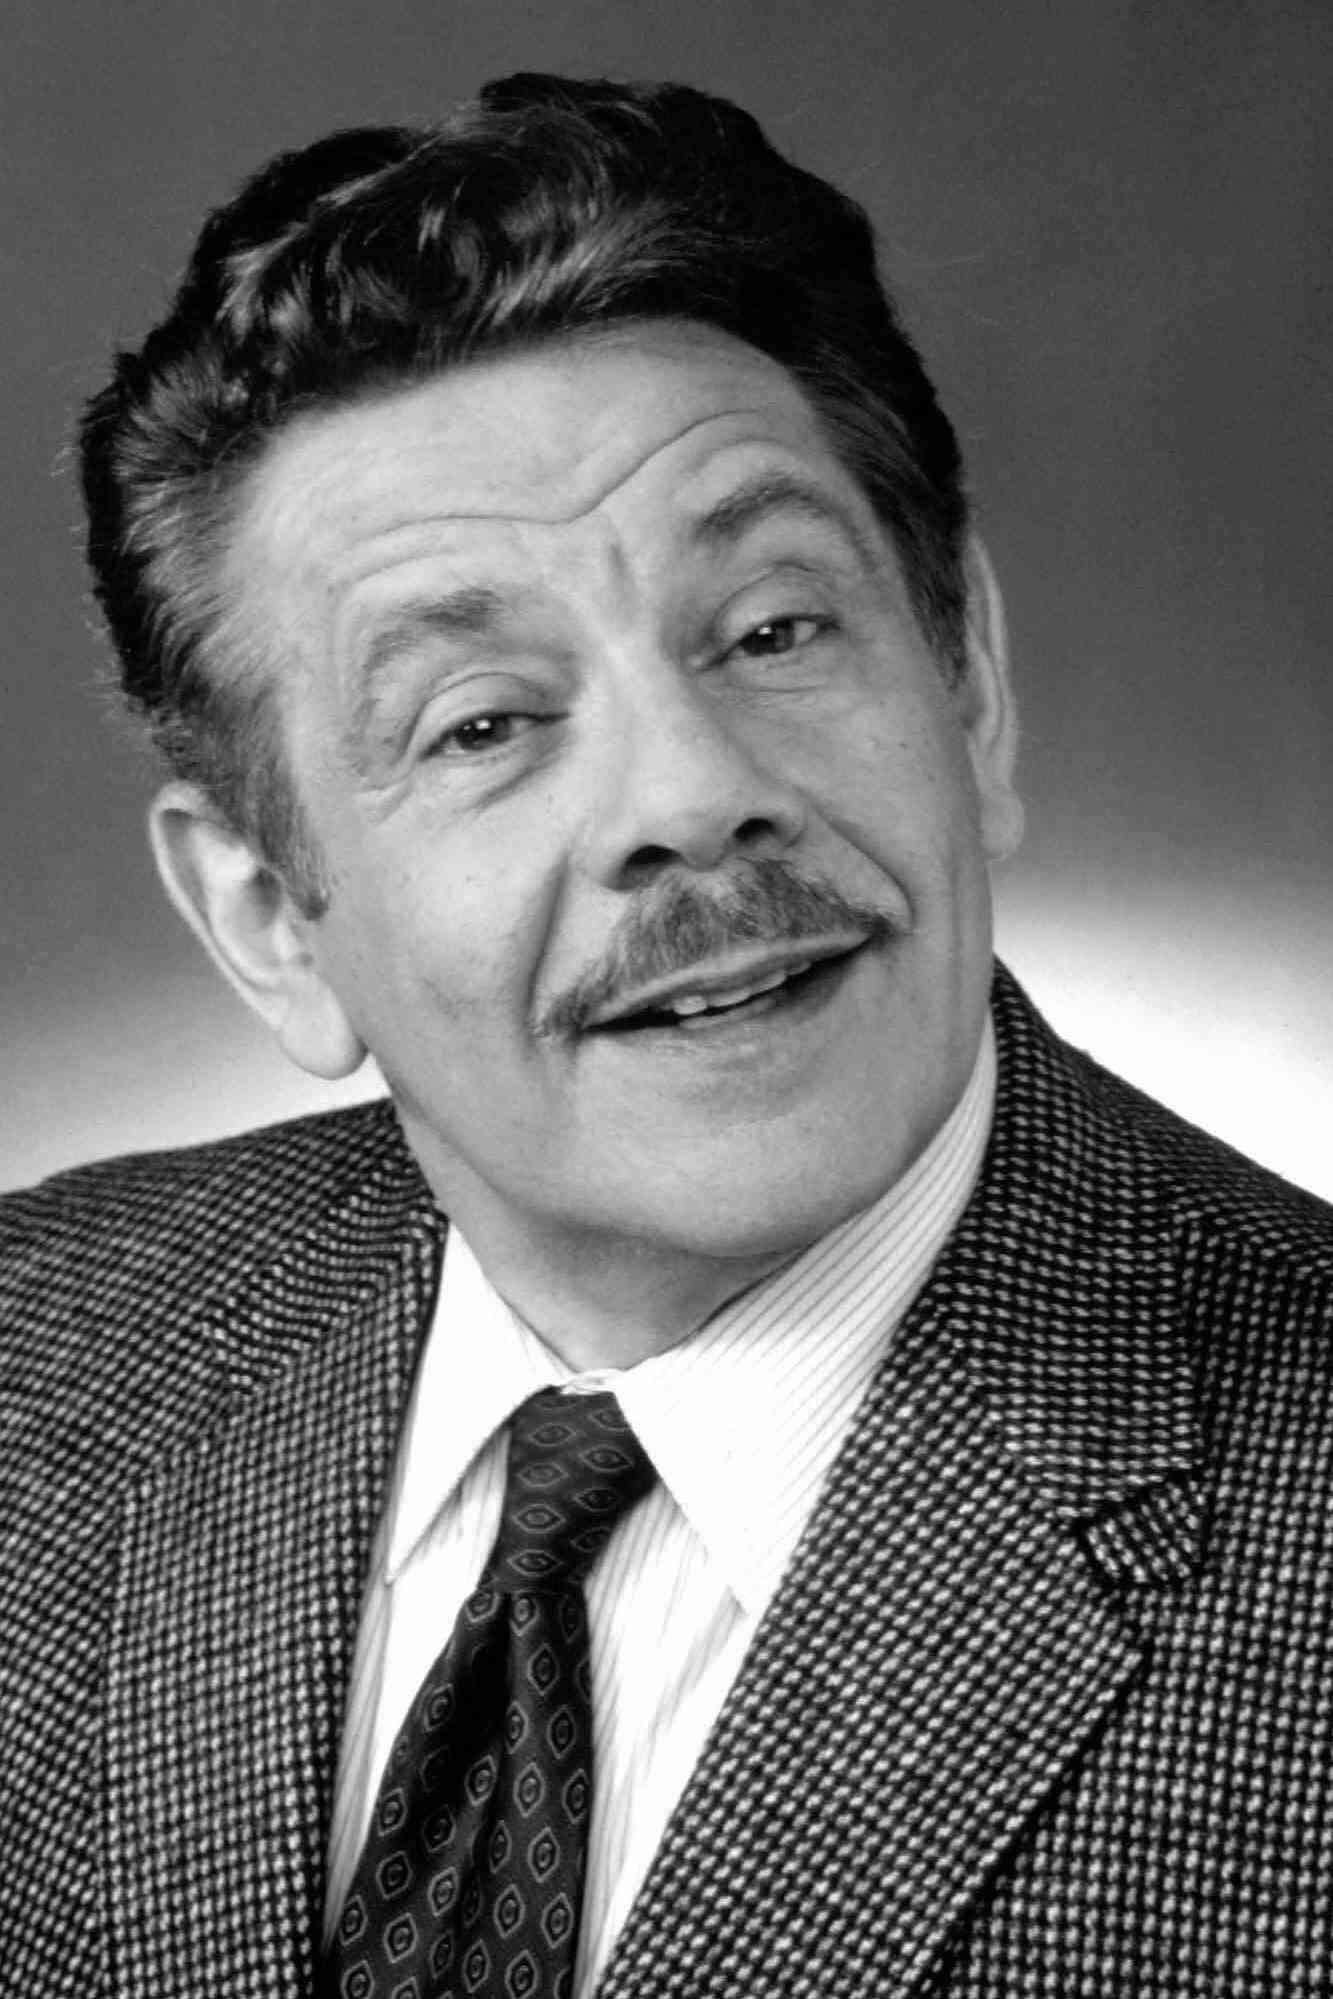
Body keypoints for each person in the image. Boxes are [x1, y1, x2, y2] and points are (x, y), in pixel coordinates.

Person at [1, 71, 1330, 1999]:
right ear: (270, 919)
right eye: (482, 721)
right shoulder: (36, 1356)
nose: (694, 796)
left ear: (968, 688)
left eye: (773, 629)